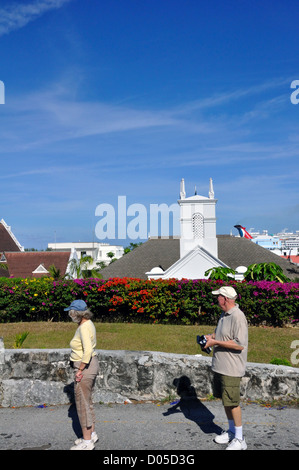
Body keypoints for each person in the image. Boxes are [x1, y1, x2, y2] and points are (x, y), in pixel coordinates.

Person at [204, 286, 248, 450]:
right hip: (220, 366)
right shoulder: (224, 315)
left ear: (226, 299)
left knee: (233, 402)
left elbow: (239, 344)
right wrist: (211, 337)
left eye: (219, 297)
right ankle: (231, 431)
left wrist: (215, 343)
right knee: (226, 401)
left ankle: (240, 438)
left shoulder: (238, 316)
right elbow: (220, 334)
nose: (217, 299)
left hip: (231, 368)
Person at [64, 299, 99, 450]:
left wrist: (80, 370)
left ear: (76, 313)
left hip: (84, 366)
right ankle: (91, 434)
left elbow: (88, 351)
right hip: (90, 365)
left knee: (82, 404)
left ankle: (87, 442)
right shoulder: (88, 323)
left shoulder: (84, 327)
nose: (69, 315)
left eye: (71, 313)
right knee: (87, 401)